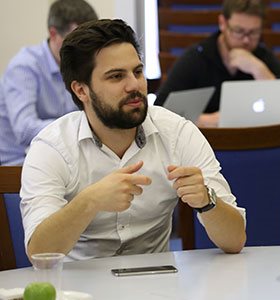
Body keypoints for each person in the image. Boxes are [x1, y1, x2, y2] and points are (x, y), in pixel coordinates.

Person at [20, 19, 247, 261]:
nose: (134, 85)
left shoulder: (177, 132)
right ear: (81, 90)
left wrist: (206, 200)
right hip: (79, 290)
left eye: (137, 72)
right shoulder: (53, 147)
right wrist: (90, 201)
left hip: (158, 286)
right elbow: (39, 253)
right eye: (116, 76)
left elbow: (235, 241)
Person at [154, 0, 280, 127]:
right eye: (239, 31)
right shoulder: (198, 57)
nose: (246, 40)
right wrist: (207, 120)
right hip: (207, 141)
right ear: (222, 23)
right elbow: (160, 109)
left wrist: (259, 70)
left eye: (254, 32)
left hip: (252, 141)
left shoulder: (263, 57)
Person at [0, 0, 97, 165]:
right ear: (53, 34)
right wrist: (81, 126)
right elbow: (24, 130)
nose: (85, 50)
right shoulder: (24, 67)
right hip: (18, 168)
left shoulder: (82, 66)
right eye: (77, 41)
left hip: (63, 160)